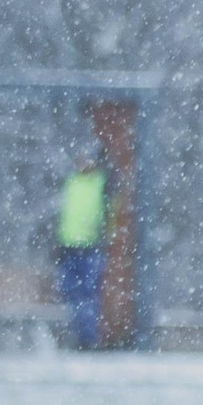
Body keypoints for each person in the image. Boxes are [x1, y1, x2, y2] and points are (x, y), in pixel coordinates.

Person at [55, 136, 111, 350]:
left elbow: (110, 213)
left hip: (91, 246)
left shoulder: (103, 183)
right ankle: (79, 334)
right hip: (69, 246)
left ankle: (87, 338)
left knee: (87, 294)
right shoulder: (71, 182)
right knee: (71, 292)